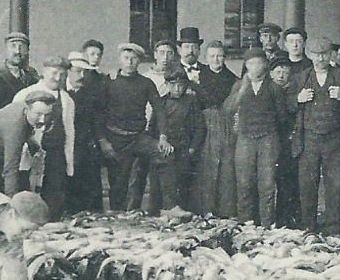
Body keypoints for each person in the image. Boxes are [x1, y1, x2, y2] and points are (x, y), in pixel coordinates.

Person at [290, 36, 340, 234]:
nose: (320, 59)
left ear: (330, 54)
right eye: (316, 55)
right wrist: (298, 99)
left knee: (334, 184)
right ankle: (309, 226)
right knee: (308, 183)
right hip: (309, 139)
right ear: (310, 55)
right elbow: (285, 103)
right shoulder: (302, 77)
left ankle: (333, 227)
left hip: (334, 139)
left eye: (324, 54)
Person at [98, 42, 171, 211]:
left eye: (134, 59)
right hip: (116, 139)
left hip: (138, 138)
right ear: (120, 60)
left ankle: (169, 206)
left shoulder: (146, 83)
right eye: (126, 58)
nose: (130, 62)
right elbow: (98, 113)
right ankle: (117, 218)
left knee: (166, 154)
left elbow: (159, 109)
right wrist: (103, 140)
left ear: (139, 61)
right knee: (118, 184)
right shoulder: (109, 81)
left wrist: (162, 136)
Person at [223, 47, 291, 226]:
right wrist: (241, 90)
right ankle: (247, 224)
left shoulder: (274, 87)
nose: (255, 67)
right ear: (246, 66)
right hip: (245, 138)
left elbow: (282, 117)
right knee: (244, 183)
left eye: (259, 63)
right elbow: (228, 109)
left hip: (268, 139)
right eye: (251, 63)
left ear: (265, 65)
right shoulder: (240, 85)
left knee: (267, 184)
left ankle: (267, 225)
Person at [13, 55, 75, 216]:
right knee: (28, 198)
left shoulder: (67, 100)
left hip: (56, 156)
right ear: (44, 72)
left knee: (54, 199)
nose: (58, 78)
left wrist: (69, 162)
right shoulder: (25, 94)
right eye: (54, 73)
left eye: (62, 74)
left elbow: (70, 132)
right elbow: (15, 129)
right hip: (31, 155)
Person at [193, 40, 238, 217]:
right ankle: (205, 209)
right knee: (206, 166)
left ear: (224, 58)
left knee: (226, 166)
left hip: (224, 124)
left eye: (219, 56)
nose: (216, 59)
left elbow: (227, 103)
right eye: (212, 56)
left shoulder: (231, 78)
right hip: (204, 124)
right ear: (206, 57)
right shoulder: (199, 75)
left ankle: (225, 209)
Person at [151, 68, 204, 215]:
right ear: (167, 85)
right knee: (162, 187)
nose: (177, 88)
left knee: (184, 186)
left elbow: (200, 128)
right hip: (165, 151)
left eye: (181, 85)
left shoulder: (191, 102)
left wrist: (192, 149)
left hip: (185, 150)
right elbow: (153, 128)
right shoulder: (161, 103)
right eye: (173, 84)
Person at [65, 50, 105, 213]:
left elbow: (95, 120)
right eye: (78, 71)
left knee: (90, 189)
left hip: (85, 147)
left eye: (84, 72)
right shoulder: (60, 92)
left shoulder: (90, 93)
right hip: (64, 147)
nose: (81, 75)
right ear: (68, 71)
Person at [268, 55, 301, 227]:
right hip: (270, 140)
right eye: (278, 72)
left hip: (288, 141)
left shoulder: (293, 93)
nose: (281, 75)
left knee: (288, 180)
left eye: (285, 72)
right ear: (271, 74)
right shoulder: (267, 91)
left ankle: (288, 219)